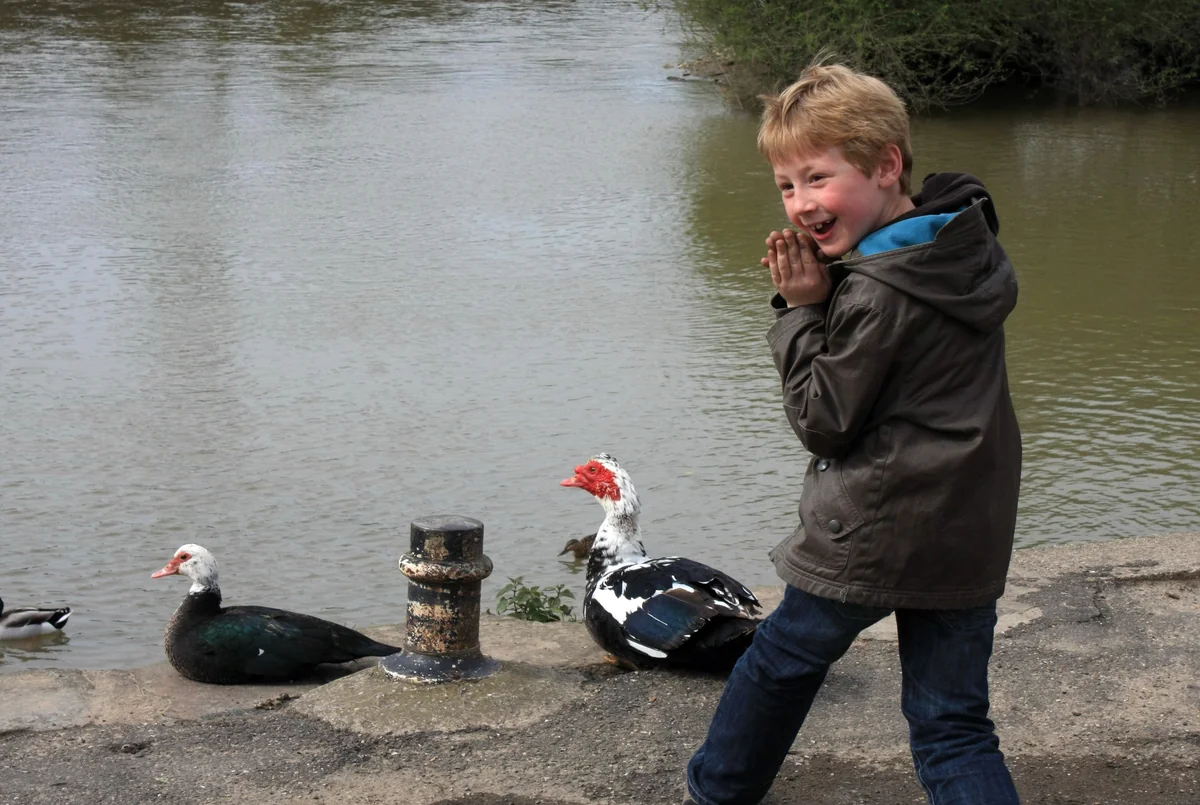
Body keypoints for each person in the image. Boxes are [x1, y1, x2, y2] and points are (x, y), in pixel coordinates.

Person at [684, 62, 1023, 805]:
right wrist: (834, 282)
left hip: (877, 523)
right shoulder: (960, 246)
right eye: (786, 185)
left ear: (887, 164)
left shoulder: (874, 292)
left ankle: (716, 791)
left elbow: (824, 422)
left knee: (779, 662)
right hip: (968, 520)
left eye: (818, 177)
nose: (801, 203)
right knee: (954, 724)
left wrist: (803, 309)